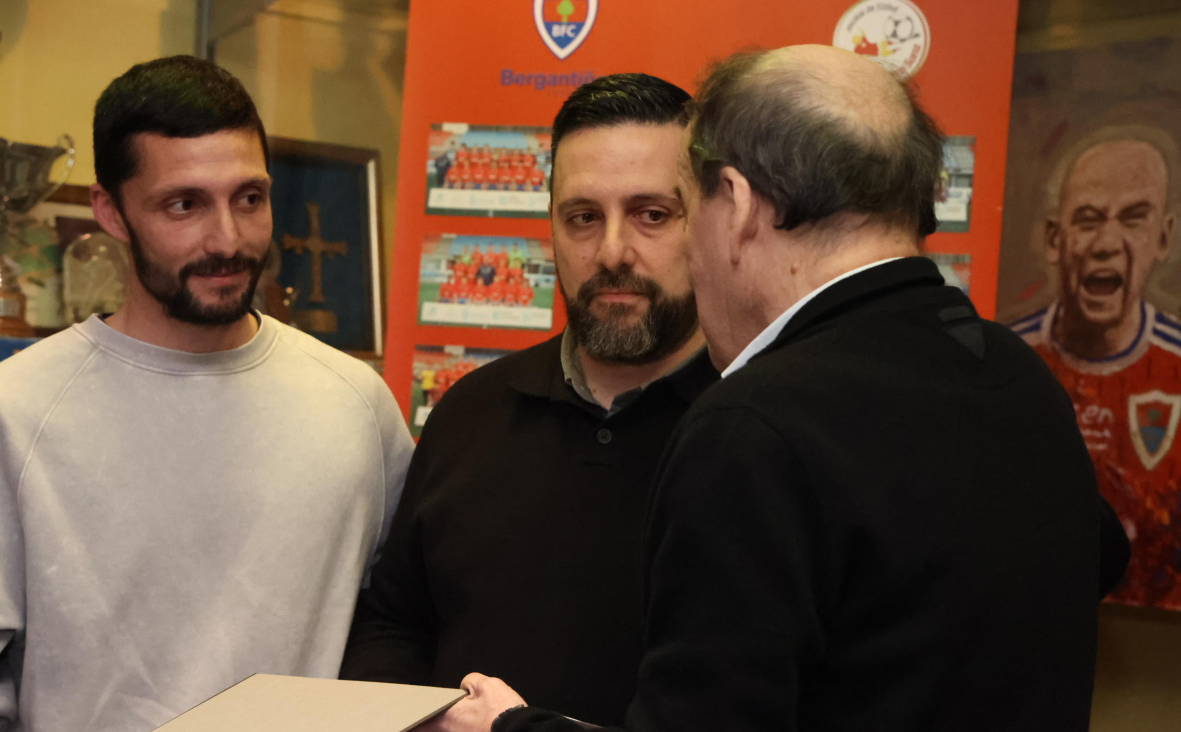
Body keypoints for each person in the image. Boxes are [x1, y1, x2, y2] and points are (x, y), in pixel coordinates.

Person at [431, 45, 1129, 732]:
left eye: (674, 208)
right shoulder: (1014, 370)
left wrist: (510, 727)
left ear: (733, 203)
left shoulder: (755, 425)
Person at [0, 56, 413, 732]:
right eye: (184, 205)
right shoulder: (7, 413)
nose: (227, 239)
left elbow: (403, 628)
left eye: (249, 198)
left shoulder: (356, 404)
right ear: (110, 212)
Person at [340, 73, 718, 727]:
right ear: (549, 227)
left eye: (652, 214)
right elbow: (394, 622)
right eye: (582, 218)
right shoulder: (472, 412)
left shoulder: (755, 429)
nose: (611, 251)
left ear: (707, 222)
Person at [1009, 126, 1180, 608]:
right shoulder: (1007, 361)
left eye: (1132, 219)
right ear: (1054, 239)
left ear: (1162, 237)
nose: (1106, 243)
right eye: (1087, 219)